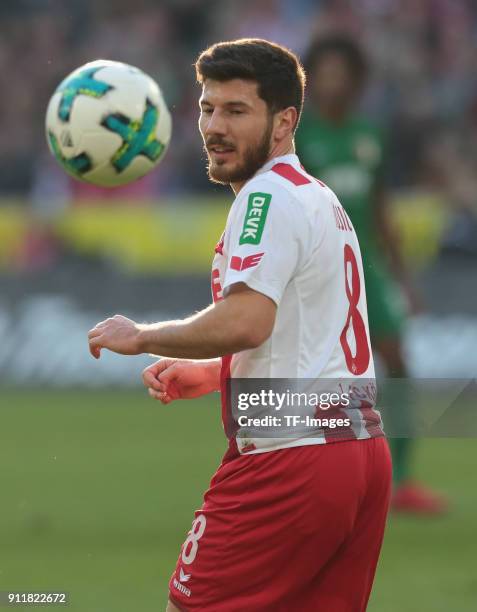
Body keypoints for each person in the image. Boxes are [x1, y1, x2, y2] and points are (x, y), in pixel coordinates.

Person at [88, 38, 392, 612]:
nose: (214, 127)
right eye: (207, 108)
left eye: (236, 111)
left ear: (285, 122)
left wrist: (143, 335)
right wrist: (213, 371)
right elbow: (305, 335)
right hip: (358, 451)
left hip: (290, 459)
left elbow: (249, 320)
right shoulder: (318, 197)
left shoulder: (266, 197)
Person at [296, 34, 448, 515]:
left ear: (356, 79)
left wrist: (402, 277)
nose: (332, 81)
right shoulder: (299, 137)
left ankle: (400, 478)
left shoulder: (369, 134)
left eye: (341, 71)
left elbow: (380, 210)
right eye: (324, 71)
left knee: (398, 363)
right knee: (320, 381)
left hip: (368, 273)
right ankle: (316, 480)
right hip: (318, 276)